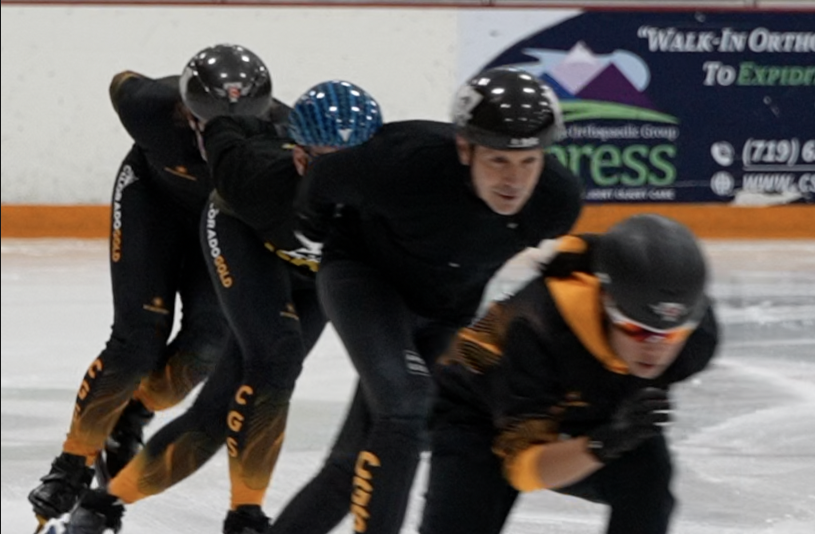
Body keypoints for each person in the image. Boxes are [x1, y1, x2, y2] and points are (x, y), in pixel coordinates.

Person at [41, 81, 384, 534]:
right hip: (243, 238)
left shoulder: (394, 195)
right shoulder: (252, 176)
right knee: (270, 359)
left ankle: (104, 503)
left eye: (357, 168)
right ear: (299, 157)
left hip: (318, 274)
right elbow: (216, 129)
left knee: (221, 408)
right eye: (326, 166)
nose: (344, 186)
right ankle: (246, 514)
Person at [268, 67, 584, 534]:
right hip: (366, 281)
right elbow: (323, 180)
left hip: (447, 311)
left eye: (528, 162)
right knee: (407, 406)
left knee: (352, 466)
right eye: (498, 160)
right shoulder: (404, 163)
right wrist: (315, 227)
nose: (514, 180)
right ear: (464, 148)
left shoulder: (555, 201)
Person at [28, 43, 286, 531]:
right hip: (152, 202)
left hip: (224, 225)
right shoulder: (146, 106)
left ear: (266, 115)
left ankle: (132, 415)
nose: (217, 134)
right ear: (180, 107)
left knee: (208, 344)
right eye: (203, 120)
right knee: (136, 338)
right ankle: (72, 462)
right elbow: (121, 79)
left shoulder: (284, 135)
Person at [418, 213, 721, 534]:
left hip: (583, 403)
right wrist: (602, 444)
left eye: (671, 335)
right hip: (480, 409)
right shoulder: (537, 325)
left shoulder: (696, 343)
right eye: (637, 330)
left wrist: (613, 437)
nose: (655, 349)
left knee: (649, 474)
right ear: (607, 302)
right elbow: (523, 468)